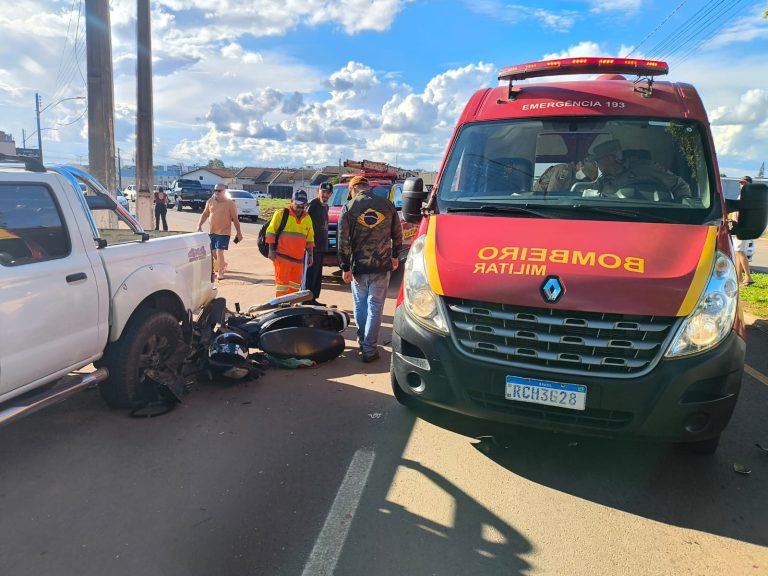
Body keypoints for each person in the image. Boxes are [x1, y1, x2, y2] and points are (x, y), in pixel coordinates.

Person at [338, 175, 402, 363]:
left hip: (359, 266)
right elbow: (397, 234)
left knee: (361, 305)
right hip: (382, 266)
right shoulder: (387, 205)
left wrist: (345, 266)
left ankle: (362, 341)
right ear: (367, 187)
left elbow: (343, 241)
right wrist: (396, 256)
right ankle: (369, 348)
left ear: (353, 189)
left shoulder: (349, 207)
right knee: (375, 307)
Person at [592, 139, 691, 200]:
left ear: (610, 158)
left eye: (597, 160)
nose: (596, 164)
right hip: (612, 220)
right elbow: (588, 195)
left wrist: (681, 210)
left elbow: (681, 186)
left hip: (651, 220)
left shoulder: (645, 168)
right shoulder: (603, 180)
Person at [266, 189, 315, 297]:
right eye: (297, 203)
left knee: (295, 287)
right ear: (291, 201)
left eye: (303, 204)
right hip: (282, 258)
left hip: (298, 260)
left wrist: (310, 255)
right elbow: (271, 232)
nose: (300, 206)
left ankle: (291, 309)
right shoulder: (281, 214)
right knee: (282, 286)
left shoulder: (307, 218)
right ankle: (281, 309)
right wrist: (271, 250)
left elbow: (310, 239)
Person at [197, 183, 242, 281]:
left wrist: (239, 232)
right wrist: (199, 225)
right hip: (212, 232)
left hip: (224, 232)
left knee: (219, 251)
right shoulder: (210, 201)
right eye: (215, 190)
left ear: (224, 191)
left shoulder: (230, 203)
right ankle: (223, 264)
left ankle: (220, 272)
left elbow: (235, 218)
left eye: (219, 191)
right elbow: (205, 214)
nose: (216, 192)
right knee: (213, 253)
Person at [304, 182, 332, 305]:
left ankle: (313, 298)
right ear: (318, 191)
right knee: (309, 274)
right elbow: (304, 223)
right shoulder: (312, 204)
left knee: (316, 275)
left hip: (321, 246)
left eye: (328, 193)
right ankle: (305, 299)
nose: (325, 195)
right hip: (311, 246)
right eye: (323, 192)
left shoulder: (326, 207)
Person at [733, 175, 754, 286]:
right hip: (739, 227)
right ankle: (739, 278)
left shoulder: (748, 196)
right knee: (738, 252)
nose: (742, 185)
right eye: (741, 183)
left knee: (740, 251)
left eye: (745, 183)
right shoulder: (743, 195)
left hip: (743, 227)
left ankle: (748, 277)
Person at [534, 157, 598, 193]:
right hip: (540, 206)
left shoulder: (575, 178)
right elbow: (553, 194)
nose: (585, 178)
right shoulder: (564, 170)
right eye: (586, 172)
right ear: (579, 164)